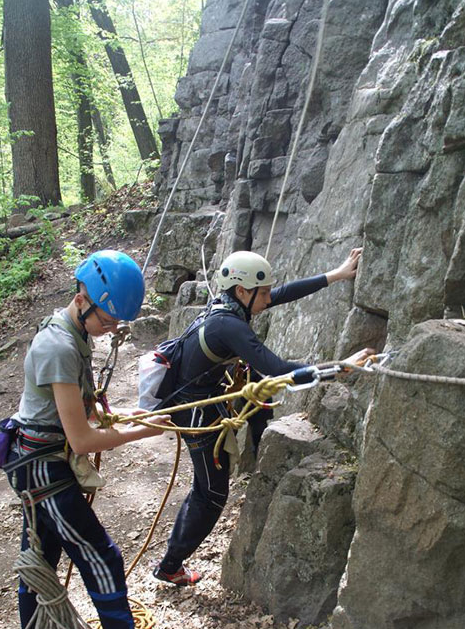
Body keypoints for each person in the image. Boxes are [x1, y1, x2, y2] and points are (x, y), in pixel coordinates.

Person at [6, 249, 199, 629]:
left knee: (39, 565)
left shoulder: (72, 331)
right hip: (45, 472)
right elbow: (83, 440)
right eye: (108, 320)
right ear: (83, 297)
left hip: (37, 466)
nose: (111, 329)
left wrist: (133, 414)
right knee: (102, 560)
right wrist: (142, 432)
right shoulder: (58, 345)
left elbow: (83, 409)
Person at [152, 248, 372, 587]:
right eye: (263, 292)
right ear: (243, 291)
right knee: (210, 494)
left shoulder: (228, 307)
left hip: (202, 403)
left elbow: (282, 293)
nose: (269, 298)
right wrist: (340, 369)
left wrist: (337, 274)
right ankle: (170, 566)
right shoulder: (229, 326)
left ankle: (258, 442)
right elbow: (279, 371)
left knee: (206, 487)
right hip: (198, 414)